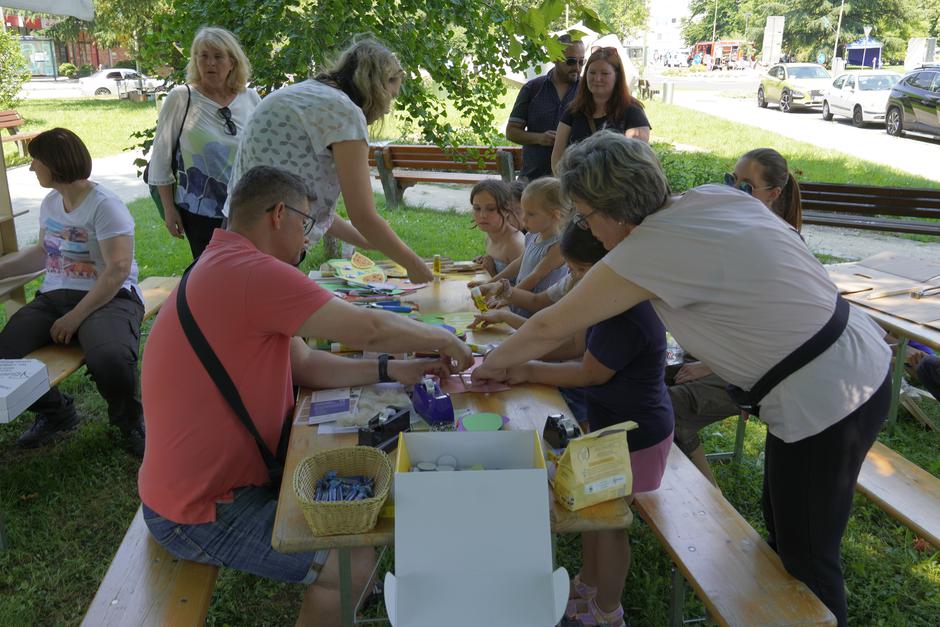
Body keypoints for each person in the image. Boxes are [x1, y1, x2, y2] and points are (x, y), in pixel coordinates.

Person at [475, 132, 891, 626]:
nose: (589, 230)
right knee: (786, 527)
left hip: (828, 393)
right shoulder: (709, 198)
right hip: (844, 366)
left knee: (809, 555)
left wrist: (482, 367)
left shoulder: (646, 249)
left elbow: (550, 326)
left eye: (586, 216)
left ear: (614, 208)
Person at [138, 165, 473, 626]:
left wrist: (392, 369)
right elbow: (371, 328)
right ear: (279, 214)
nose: (308, 237)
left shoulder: (222, 261)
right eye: (306, 223)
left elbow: (305, 364)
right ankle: (350, 588)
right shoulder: (253, 272)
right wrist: (442, 338)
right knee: (351, 563)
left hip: (200, 486)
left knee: (359, 494)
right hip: (196, 509)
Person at [230, 35, 433, 283]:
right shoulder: (344, 112)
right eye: (391, 96)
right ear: (377, 85)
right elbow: (363, 216)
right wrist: (415, 267)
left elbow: (311, 207)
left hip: (241, 230)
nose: (388, 108)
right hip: (271, 242)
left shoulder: (308, 94)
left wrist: (366, 241)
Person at [0, 128, 146, 454]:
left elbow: (117, 269)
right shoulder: (52, 202)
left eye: (36, 161)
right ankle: (58, 413)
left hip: (110, 297)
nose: (31, 167)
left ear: (55, 163)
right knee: (3, 357)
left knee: (110, 358)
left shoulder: (105, 206)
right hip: (55, 297)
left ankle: (129, 422)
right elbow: (43, 252)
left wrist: (75, 317)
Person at [673, 147, 804, 485]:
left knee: (665, 408)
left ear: (773, 194)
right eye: (730, 180)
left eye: (745, 186)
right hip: (724, 359)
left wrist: (709, 365)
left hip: (756, 371)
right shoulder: (736, 232)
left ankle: (710, 502)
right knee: (652, 391)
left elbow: (769, 334)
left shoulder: (776, 245)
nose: (732, 191)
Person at [150, 26, 260, 260]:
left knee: (249, 269)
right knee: (210, 271)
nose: (210, 63)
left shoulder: (250, 98)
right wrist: (169, 210)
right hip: (200, 210)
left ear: (232, 62)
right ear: (195, 60)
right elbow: (161, 158)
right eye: (203, 56)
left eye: (218, 56)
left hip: (247, 208)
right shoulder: (181, 97)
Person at [470, 221, 606, 331]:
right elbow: (536, 301)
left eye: (580, 268)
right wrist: (503, 289)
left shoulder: (595, 294)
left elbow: (552, 333)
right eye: (568, 265)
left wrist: (505, 316)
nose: (570, 272)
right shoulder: (571, 280)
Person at [469, 177, 569, 316]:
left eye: (530, 214)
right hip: (519, 299)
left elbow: (535, 276)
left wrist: (506, 296)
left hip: (537, 309)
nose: (523, 218)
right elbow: (518, 264)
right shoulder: (532, 236)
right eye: (523, 212)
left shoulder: (558, 246)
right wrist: (491, 283)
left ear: (555, 215)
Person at [550, 46, 650, 174]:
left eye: (605, 73)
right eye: (592, 73)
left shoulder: (633, 111)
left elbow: (636, 162)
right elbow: (557, 159)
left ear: (617, 76)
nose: (597, 79)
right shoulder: (573, 111)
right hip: (575, 184)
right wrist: (565, 183)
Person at [506, 34, 585, 181]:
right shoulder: (532, 88)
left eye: (582, 62)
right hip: (533, 180)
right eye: (571, 61)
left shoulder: (587, 92)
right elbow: (511, 132)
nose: (577, 68)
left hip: (574, 181)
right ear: (554, 57)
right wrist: (540, 138)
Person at [469, 180, 524, 278]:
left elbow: (528, 286)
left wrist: (492, 272)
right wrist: (484, 263)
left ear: (506, 209)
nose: (483, 215)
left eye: (491, 209)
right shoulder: (490, 237)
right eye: (477, 208)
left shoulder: (515, 244)